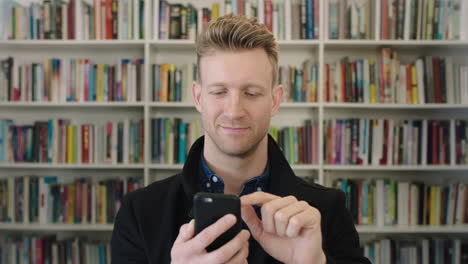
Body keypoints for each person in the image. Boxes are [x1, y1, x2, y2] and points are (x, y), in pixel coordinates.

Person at [111, 14, 371, 264]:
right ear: (199, 97)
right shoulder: (140, 212)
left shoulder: (328, 210)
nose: (234, 111)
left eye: (252, 92)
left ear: (275, 100)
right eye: (219, 91)